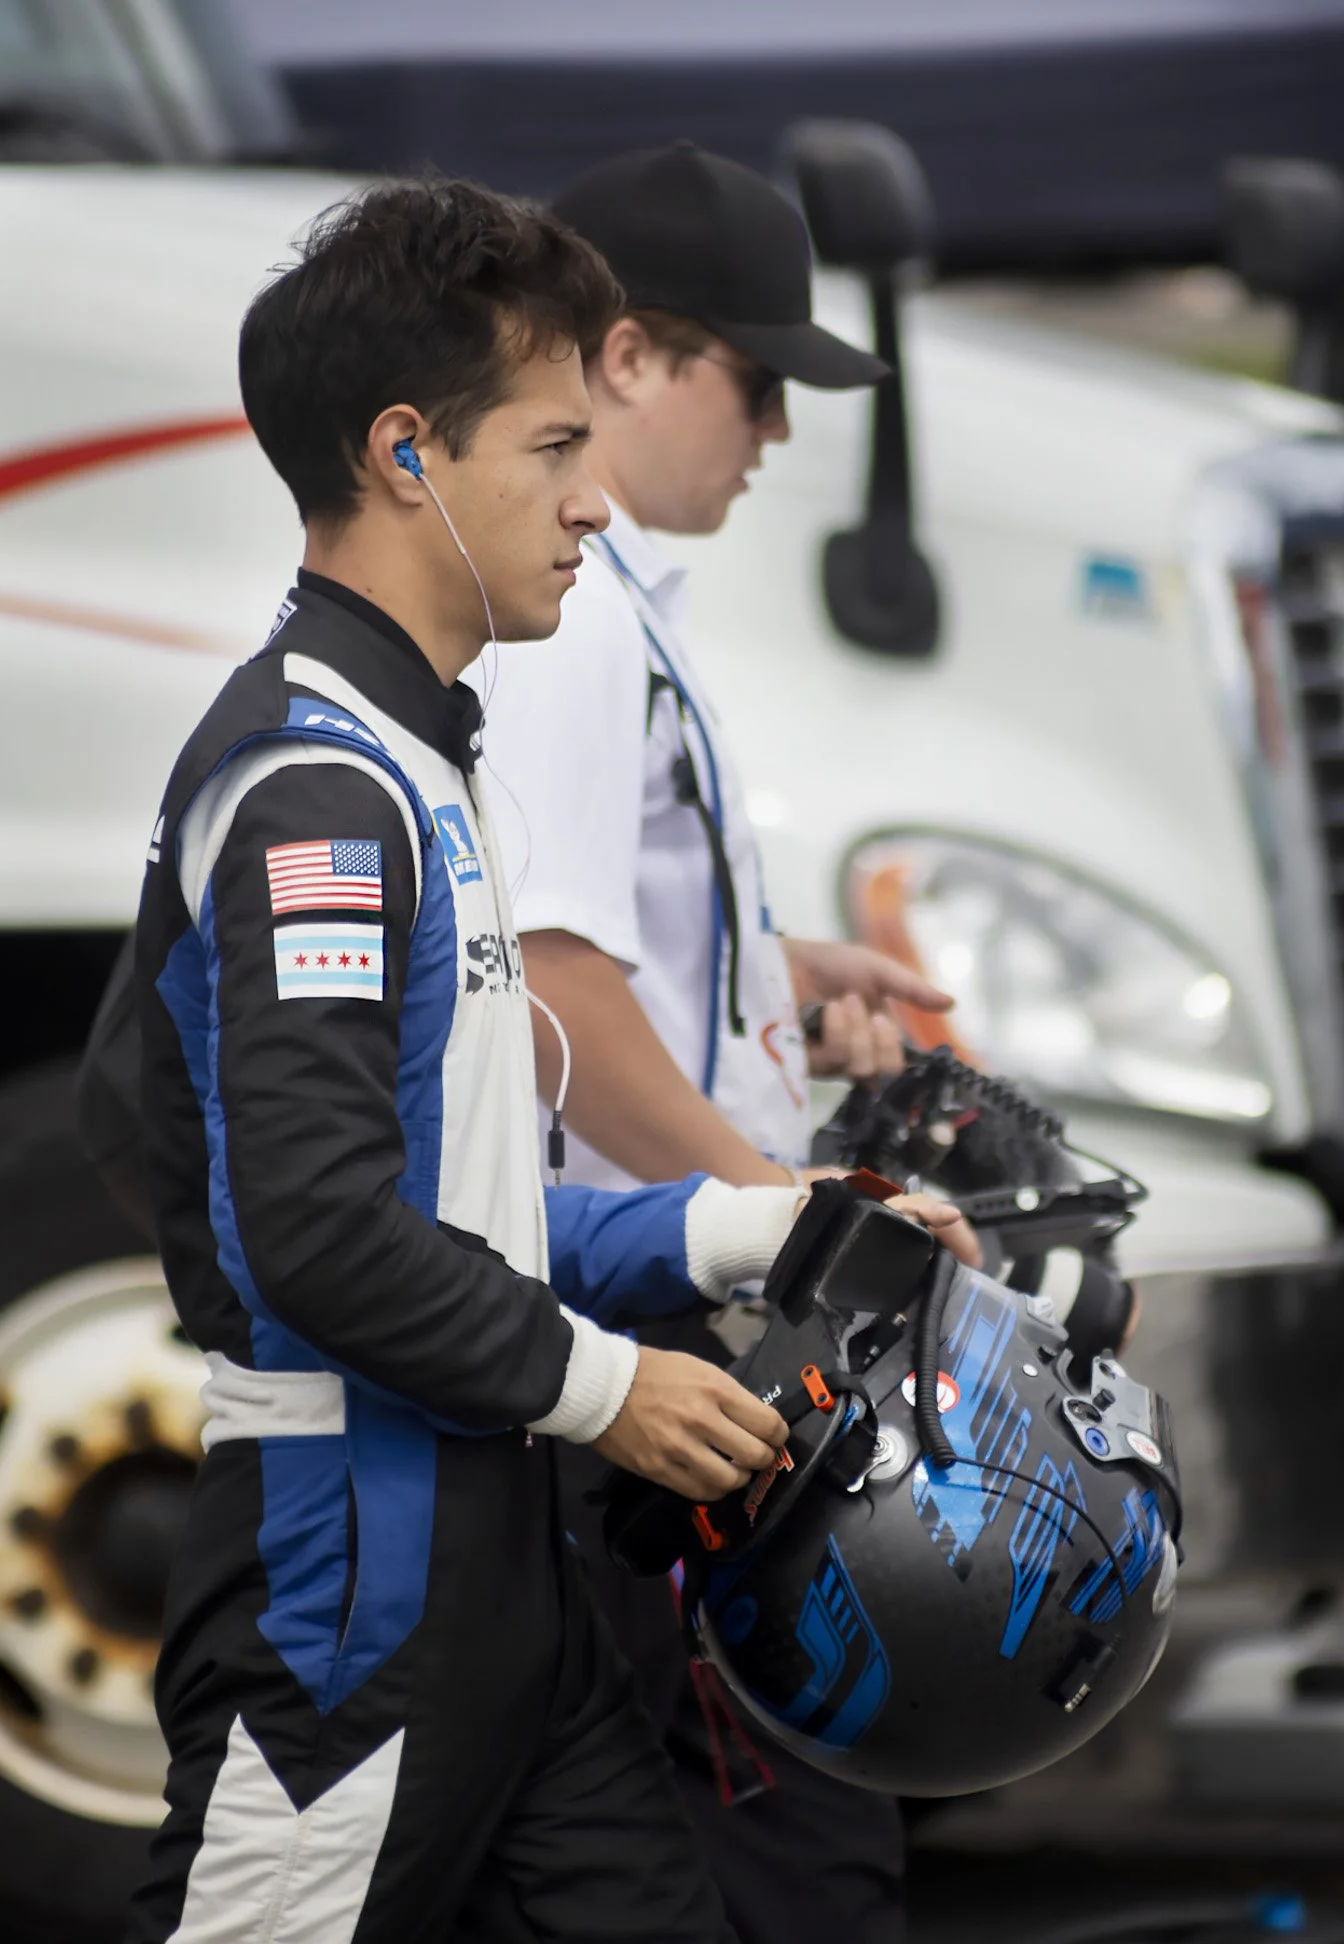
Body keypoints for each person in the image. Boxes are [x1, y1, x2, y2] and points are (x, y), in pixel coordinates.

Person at [126, 174, 975, 1944]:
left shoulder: (429, 769)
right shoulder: (319, 800)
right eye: (551, 447)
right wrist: (611, 1388)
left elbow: (476, 1214)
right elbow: (321, 1237)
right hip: (350, 1595)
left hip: (512, 1579)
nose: (594, 500)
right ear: (406, 455)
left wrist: (749, 1230)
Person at [479, 142, 956, 1944]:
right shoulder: (571, 621)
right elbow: (555, 989)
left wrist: (774, 976)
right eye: (756, 382)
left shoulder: (607, 605)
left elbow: (622, 945)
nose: (775, 432)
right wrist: (797, 1216)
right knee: (780, 1847)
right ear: (623, 358)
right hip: (634, 1300)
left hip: (654, 1275)